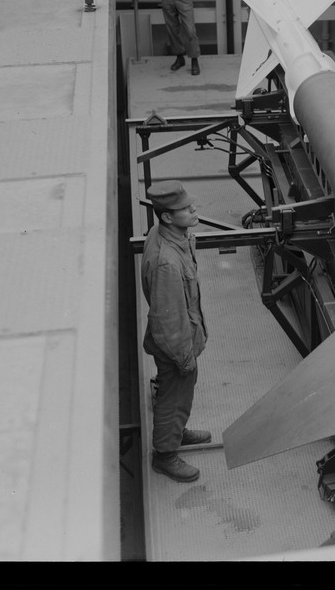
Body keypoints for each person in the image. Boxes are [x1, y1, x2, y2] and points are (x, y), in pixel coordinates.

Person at [141, 180, 210, 483]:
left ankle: (177, 433)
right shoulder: (167, 261)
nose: (194, 209)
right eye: (185, 208)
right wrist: (184, 357)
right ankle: (165, 456)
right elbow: (167, 321)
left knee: (178, 394)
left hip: (181, 336)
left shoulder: (167, 235)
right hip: (175, 344)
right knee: (172, 396)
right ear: (167, 216)